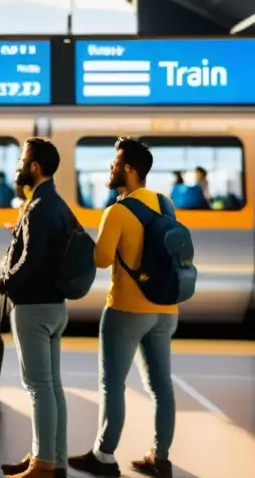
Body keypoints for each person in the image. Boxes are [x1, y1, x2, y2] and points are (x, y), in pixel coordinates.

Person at [69, 137, 178, 478]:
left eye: (115, 163)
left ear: (129, 169)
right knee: (162, 386)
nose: (111, 168)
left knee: (112, 384)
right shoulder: (165, 203)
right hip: (166, 308)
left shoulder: (116, 211)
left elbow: (101, 260)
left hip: (127, 310)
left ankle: (103, 455)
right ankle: (160, 457)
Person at [0, 138, 70, 478]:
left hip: (33, 307)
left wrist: (3, 282)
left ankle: (43, 463)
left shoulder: (37, 208)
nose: (19, 164)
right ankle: (52, 457)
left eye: (23, 159)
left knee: (37, 386)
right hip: (54, 305)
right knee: (53, 386)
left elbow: (30, 260)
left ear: (35, 167)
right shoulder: (57, 203)